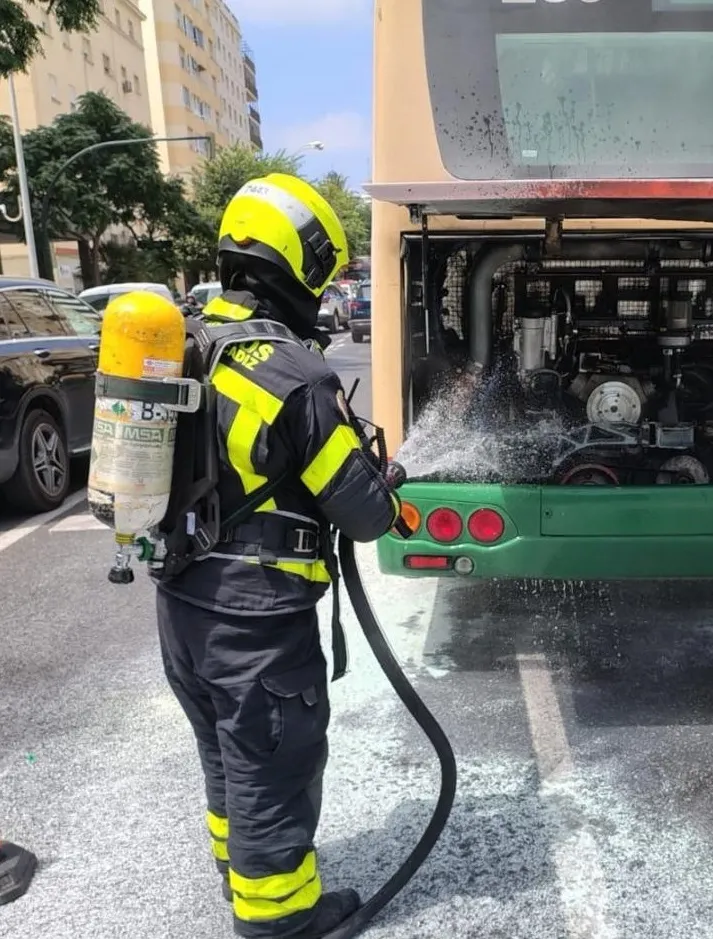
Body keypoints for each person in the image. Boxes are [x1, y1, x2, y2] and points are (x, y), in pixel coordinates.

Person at [153, 173, 405, 939]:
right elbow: (363, 515)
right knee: (272, 766)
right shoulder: (291, 373)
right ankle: (281, 918)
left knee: (227, 756)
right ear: (297, 266)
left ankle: (242, 877)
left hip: (183, 602)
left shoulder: (187, 341)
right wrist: (383, 480)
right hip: (256, 621)